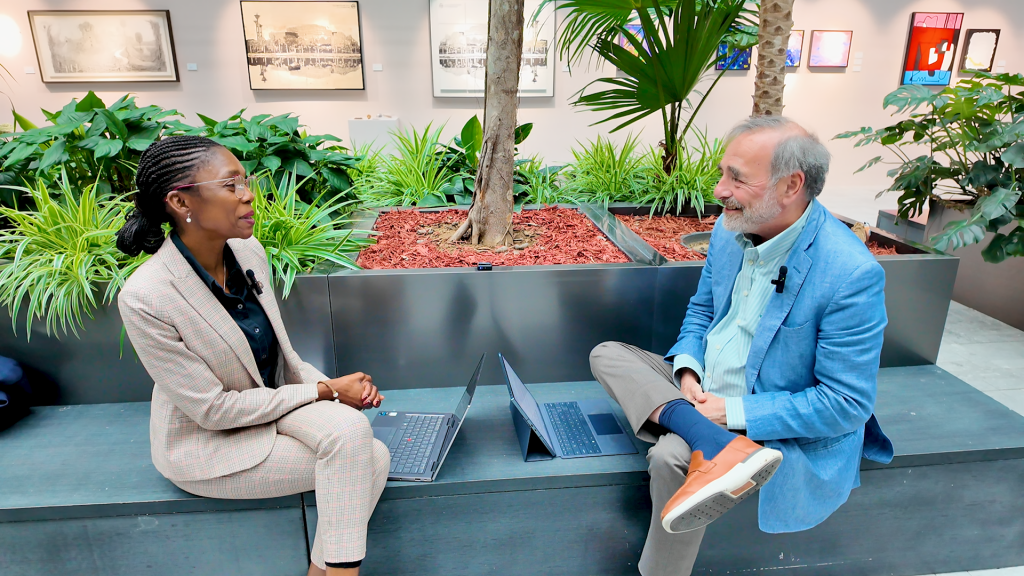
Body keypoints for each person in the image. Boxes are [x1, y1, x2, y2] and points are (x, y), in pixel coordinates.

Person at [590, 116, 894, 576]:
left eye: (736, 178)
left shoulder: (850, 274)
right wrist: (688, 371)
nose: (719, 189)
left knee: (670, 456)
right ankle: (711, 441)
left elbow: (846, 404)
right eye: (722, 173)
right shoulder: (728, 231)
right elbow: (701, 313)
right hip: (700, 391)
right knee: (607, 353)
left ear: (791, 185)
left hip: (765, 417)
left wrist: (728, 413)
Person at [116, 136, 389, 576]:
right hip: (209, 440)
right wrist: (325, 391)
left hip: (269, 403)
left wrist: (332, 392)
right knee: (367, 457)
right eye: (229, 185)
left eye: (245, 180)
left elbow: (280, 358)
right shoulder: (146, 297)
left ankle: (328, 572)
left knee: (353, 435)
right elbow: (212, 409)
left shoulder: (248, 252)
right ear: (180, 200)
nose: (247, 194)